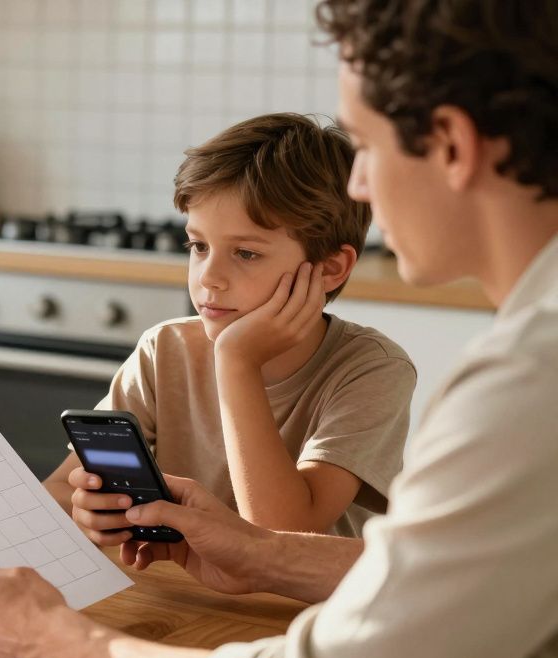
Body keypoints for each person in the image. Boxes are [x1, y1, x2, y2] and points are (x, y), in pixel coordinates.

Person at [0, 1, 558, 658]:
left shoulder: (527, 387)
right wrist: (260, 556)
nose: (359, 188)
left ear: (449, 143)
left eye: (366, 145)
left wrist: (50, 640)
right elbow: (440, 586)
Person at [45, 113, 415, 537]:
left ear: (330, 268)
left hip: (302, 604)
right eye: (198, 246)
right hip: (188, 598)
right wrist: (85, 510)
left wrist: (236, 361)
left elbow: (284, 535)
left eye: (245, 253)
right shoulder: (164, 349)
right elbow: (58, 488)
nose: (208, 277)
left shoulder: (372, 369)